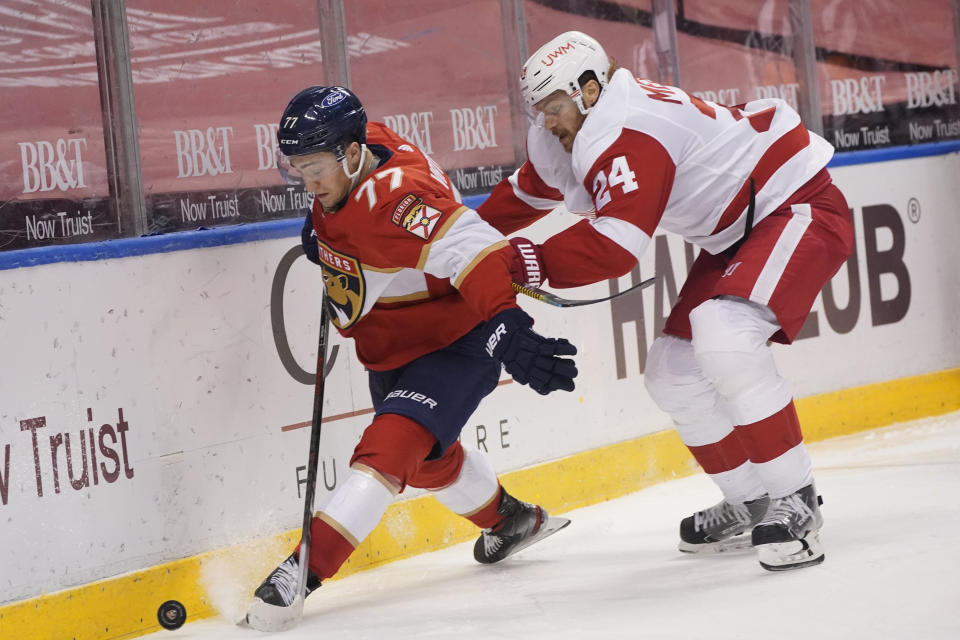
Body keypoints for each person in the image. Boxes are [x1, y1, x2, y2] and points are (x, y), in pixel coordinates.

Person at [478, 31, 854, 571]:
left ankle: (797, 502)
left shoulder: (628, 129)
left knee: (723, 332)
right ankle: (751, 501)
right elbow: (524, 195)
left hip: (796, 205)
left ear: (589, 90)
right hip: (739, 231)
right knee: (671, 372)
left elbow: (614, 247)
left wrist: (516, 262)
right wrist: (454, 241)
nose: (548, 121)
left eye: (554, 107)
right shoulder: (580, 123)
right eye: (540, 111)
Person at [247, 86, 578, 628]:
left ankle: (303, 570)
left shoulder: (400, 202)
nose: (307, 182)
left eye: (314, 169)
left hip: (453, 342)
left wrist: (505, 324)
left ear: (351, 156)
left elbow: (474, 246)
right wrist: (324, 228)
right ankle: (512, 521)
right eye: (297, 169)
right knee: (425, 463)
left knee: (388, 449)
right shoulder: (363, 146)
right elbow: (350, 211)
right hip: (390, 345)